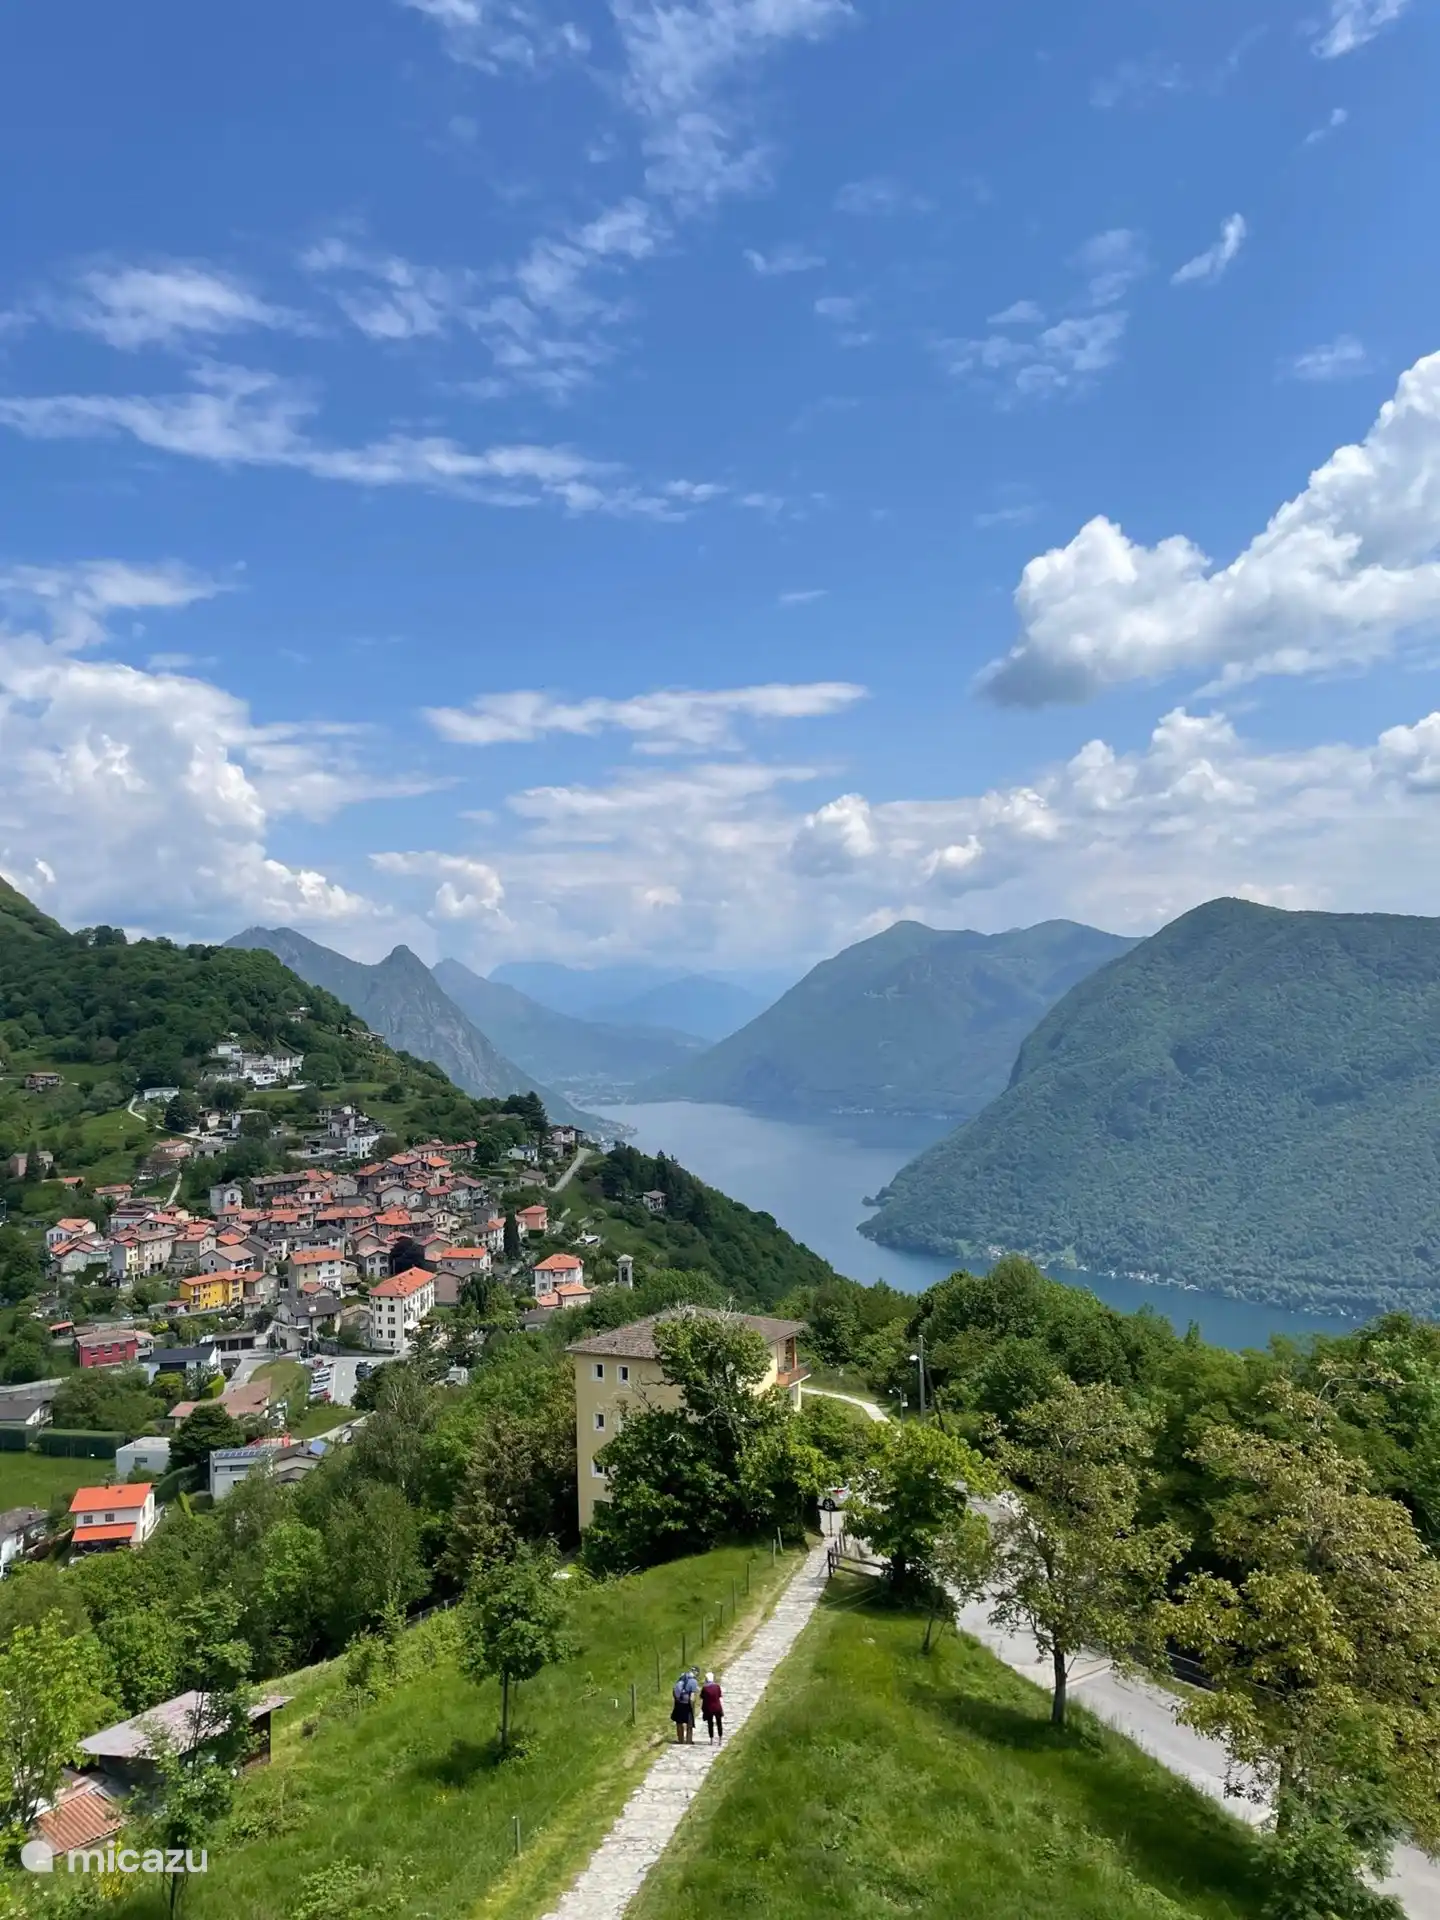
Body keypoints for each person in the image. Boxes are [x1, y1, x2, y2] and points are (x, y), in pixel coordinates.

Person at [670, 1670, 697, 1744]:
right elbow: (692, 1697)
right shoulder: (693, 1682)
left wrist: (677, 1700)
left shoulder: (679, 1682)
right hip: (687, 1705)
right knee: (689, 1724)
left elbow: (674, 1692)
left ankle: (680, 1740)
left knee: (679, 1723)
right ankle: (689, 1740)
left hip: (679, 1704)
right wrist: (692, 1707)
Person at [700, 1671, 724, 1743]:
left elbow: (702, 1696)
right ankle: (720, 1738)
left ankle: (711, 1739)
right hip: (717, 1707)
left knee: (710, 1723)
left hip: (709, 1708)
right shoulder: (717, 1686)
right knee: (719, 1722)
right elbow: (719, 1695)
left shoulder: (705, 1688)